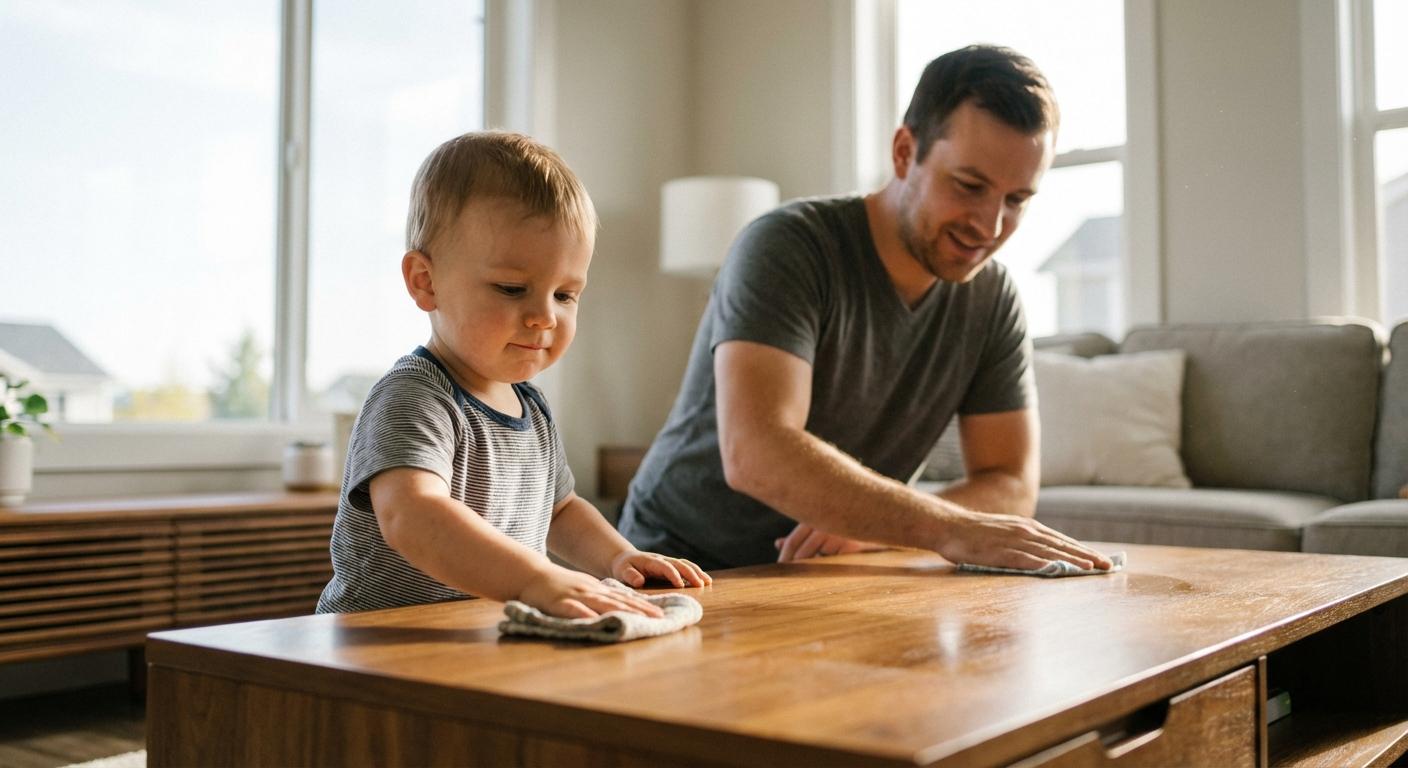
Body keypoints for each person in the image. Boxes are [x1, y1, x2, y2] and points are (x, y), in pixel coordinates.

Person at [619, 45, 1113, 573]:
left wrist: (879, 529)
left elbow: (1012, 485)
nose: (991, 228)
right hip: (678, 564)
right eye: (969, 186)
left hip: (829, 575)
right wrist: (940, 527)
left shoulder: (993, 299)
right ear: (905, 152)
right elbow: (756, 452)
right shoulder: (787, 246)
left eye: (1016, 200)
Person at [317, 132, 710, 618]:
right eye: (511, 288)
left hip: (478, 639)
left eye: (565, 295)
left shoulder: (533, 409)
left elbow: (560, 511)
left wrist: (616, 557)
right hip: (376, 647)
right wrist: (537, 578)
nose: (545, 316)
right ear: (426, 281)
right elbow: (412, 516)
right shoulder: (414, 397)